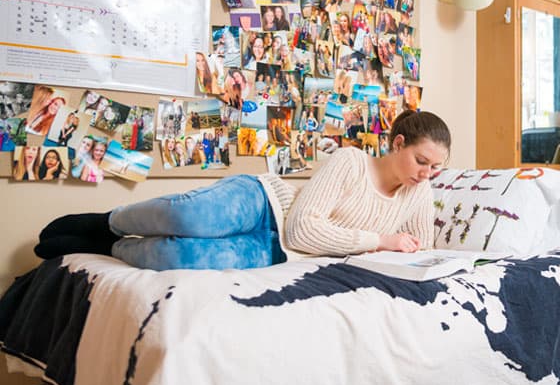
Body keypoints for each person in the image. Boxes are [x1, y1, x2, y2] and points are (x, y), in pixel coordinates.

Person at [35, 111, 452, 271]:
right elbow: (302, 230)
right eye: (422, 161)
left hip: (280, 255)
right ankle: (107, 222)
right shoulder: (349, 160)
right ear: (397, 143)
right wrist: (380, 241)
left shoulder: (418, 192)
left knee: (174, 255)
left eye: (436, 168)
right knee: (188, 218)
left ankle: (105, 248)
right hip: (267, 208)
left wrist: (398, 246)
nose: (427, 174)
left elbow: (420, 252)